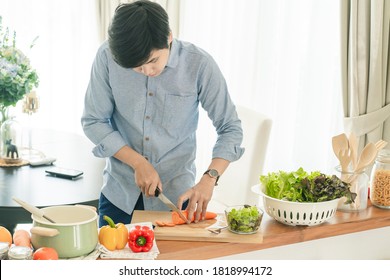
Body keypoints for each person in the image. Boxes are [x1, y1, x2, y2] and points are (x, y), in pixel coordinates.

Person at [81, 0, 244, 227]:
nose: (147, 72)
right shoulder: (108, 56)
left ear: (168, 36)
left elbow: (230, 128)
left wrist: (210, 178)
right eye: (136, 68)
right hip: (120, 195)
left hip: (177, 199)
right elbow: (94, 121)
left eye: (153, 61)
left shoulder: (199, 64)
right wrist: (138, 162)